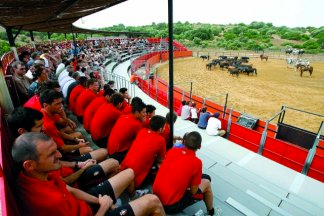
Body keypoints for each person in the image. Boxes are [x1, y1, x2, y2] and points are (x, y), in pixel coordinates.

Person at [12, 132, 166, 216]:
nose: (59, 155)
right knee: (153, 201)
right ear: (29, 165)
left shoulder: (37, 175)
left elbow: (70, 189)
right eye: (52, 154)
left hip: (88, 206)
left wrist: (99, 201)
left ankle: (126, 199)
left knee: (129, 172)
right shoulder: (50, 202)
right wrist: (104, 207)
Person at [153, 131, 215, 215]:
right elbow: (193, 191)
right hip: (169, 206)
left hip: (155, 196)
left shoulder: (172, 151)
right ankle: (211, 211)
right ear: (199, 147)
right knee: (207, 183)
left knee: (206, 176)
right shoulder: (197, 162)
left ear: (184, 142)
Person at [121, 115, 166, 188]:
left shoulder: (142, 131)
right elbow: (160, 160)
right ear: (160, 129)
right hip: (136, 178)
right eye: (164, 127)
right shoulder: (161, 140)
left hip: (123, 167)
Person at [108, 97, 146, 163]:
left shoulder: (124, 116)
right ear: (137, 112)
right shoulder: (136, 124)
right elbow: (141, 142)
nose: (145, 115)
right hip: (117, 154)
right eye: (143, 112)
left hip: (110, 150)